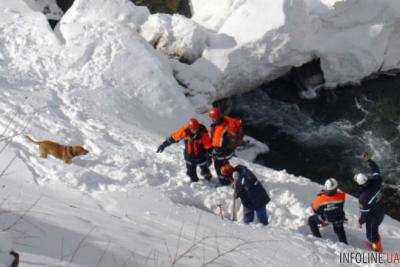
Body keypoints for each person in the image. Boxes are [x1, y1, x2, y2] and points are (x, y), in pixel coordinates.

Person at [157, 118, 212, 182]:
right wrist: (164, 145)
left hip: (201, 155)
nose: (195, 131)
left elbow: (208, 145)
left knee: (205, 170)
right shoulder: (184, 130)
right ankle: (194, 180)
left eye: (196, 129)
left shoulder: (203, 131)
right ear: (190, 128)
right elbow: (174, 137)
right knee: (192, 176)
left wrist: (210, 155)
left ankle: (207, 176)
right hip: (189, 156)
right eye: (193, 129)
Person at [354, 152, 385, 252]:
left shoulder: (363, 198)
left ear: (361, 185)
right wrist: (369, 160)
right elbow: (376, 169)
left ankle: (377, 248)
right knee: (374, 228)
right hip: (381, 208)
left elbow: (365, 214)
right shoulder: (377, 180)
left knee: (370, 235)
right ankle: (376, 238)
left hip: (373, 215)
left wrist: (360, 222)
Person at [208, 107, 243, 185]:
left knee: (219, 166)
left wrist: (214, 151)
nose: (213, 120)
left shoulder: (222, 127)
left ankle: (226, 182)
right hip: (226, 151)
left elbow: (219, 143)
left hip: (223, 152)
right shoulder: (225, 121)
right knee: (225, 165)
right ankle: (234, 177)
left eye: (214, 118)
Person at [308, 178, 348, 244]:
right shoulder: (342, 196)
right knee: (340, 230)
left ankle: (318, 238)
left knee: (311, 220)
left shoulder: (320, 199)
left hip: (326, 218)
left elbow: (314, 208)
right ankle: (344, 244)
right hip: (339, 217)